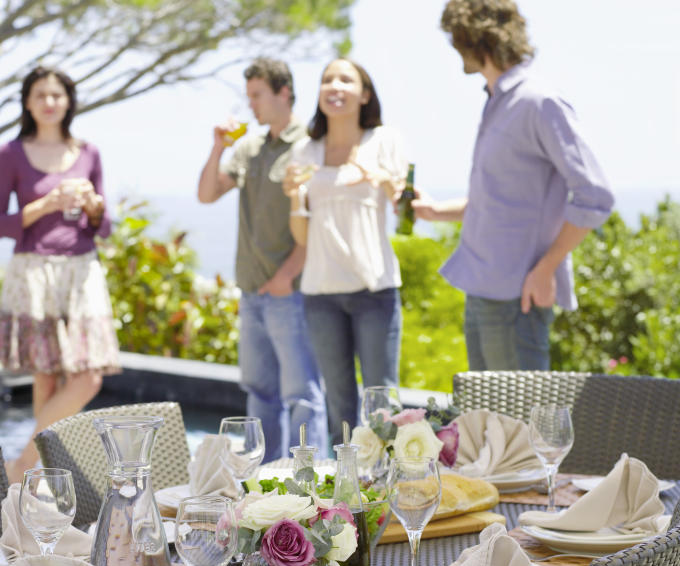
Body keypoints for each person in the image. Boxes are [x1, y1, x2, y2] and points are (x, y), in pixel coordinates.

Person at [414, 0, 614, 371]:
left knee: (519, 426)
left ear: (471, 39)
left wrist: (547, 267)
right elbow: (501, 202)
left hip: (516, 300)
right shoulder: (497, 103)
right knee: (485, 424)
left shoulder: (539, 103)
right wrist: (436, 211)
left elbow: (595, 195)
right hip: (481, 291)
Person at [0, 66, 120, 483]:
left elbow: (105, 227)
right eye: (40, 94)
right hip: (34, 269)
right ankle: (46, 480)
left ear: (68, 101)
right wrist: (47, 203)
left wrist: (95, 207)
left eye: (57, 95)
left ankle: (23, 464)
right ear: (27, 101)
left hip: (81, 271)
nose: (49, 102)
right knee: (44, 375)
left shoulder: (89, 152)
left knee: (88, 377)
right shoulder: (10, 154)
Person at [197, 57, 326, 461]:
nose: (250, 104)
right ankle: (265, 482)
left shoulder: (310, 145)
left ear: (283, 92)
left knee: (302, 395)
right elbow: (206, 194)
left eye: (257, 95)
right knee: (260, 393)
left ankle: (310, 486)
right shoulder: (249, 148)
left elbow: (319, 221)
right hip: (252, 293)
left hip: (291, 292)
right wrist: (219, 146)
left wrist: (286, 276)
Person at [283, 58, 407, 434]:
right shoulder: (305, 151)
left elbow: (405, 213)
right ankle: (346, 491)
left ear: (364, 94)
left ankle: (388, 487)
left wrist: (384, 179)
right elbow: (301, 237)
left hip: (375, 290)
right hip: (321, 294)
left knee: (382, 402)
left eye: (345, 80)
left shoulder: (385, 141)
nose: (334, 87)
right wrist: (293, 197)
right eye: (327, 80)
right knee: (339, 405)